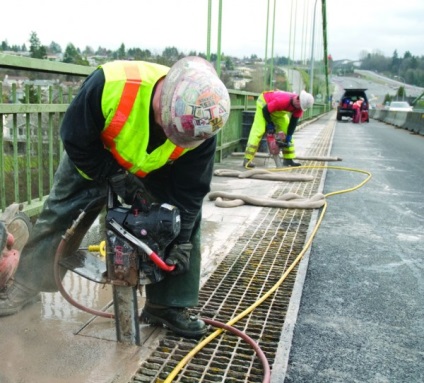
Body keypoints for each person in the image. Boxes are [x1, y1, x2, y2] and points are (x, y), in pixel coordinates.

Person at [0, 56, 231, 338]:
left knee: (178, 220)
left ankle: (166, 305)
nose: (171, 138)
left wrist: (180, 240)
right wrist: (113, 176)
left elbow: (191, 191)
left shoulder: (203, 122)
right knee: (60, 215)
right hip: (94, 155)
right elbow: (74, 138)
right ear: (164, 97)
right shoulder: (111, 84)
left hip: (154, 168)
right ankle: (27, 283)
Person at [242, 89, 314, 168]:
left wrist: (289, 136)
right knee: (258, 130)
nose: (300, 109)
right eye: (300, 106)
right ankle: (247, 159)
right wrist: (269, 124)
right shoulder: (283, 100)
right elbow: (265, 110)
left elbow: (293, 123)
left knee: (287, 132)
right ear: (297, 100)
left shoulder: (299, 108)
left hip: (278, 111)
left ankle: (288, 159)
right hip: (264, 104)